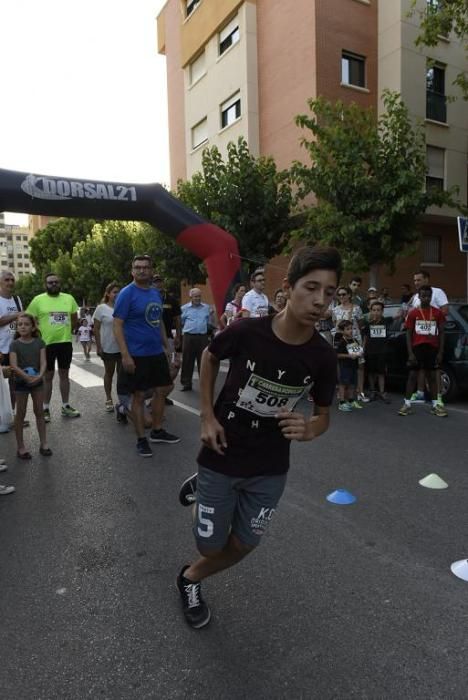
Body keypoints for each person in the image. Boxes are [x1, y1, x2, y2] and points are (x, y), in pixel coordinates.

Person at [175, 246, 341, 629]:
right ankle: (204, 487)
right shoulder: (248, 331)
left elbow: (322, 418)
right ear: (288, 286)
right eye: (311, 288)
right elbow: (210, 356)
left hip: (270, 466)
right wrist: (206, 415)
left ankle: (189, 578)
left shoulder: (323, 357)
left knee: (246, 544)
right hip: (222, 451)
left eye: (329, 292)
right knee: (210, 546)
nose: (319, 301)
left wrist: (309, 429)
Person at [113, 254, 179, 458]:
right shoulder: (126, 293)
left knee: (162, 390)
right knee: (139, 396)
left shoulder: (154, 293)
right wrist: (125, 355)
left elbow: (157, 319)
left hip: (156, 352)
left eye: (146, 267)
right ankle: (141, 440)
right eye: (138, 267)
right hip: (136, 354)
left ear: (151, 270)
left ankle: (157, 430)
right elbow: (117, 325)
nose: (142, 270)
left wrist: (165, 346)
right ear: (132, 271)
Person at [27, 273, 80, 422]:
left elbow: (74, 318)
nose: (53, 285)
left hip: (65, 343)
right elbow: (29, 318)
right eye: (50, 283)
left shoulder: (68, 298)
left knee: (64, 375)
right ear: (46, 285)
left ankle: (65, 406)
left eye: (56, 282)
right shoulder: (38, 300)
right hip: (46, 344)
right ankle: (45, 409)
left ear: (60, 283)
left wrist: (68, 331)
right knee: (47, 377)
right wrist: (36, 334)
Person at [398, 285, 447, 417]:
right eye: (423, 296)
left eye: (428, 296)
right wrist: (410, 353)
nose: (426, 298)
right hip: (417, 348)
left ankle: (436, 404)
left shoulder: (437, 313)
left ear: (431, 297)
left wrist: (440, 352)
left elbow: (442, 333)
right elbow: (408, 333)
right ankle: (406, 404)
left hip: (432, 348)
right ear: (419, 297)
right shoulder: (413, 313)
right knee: (413, 376)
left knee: (432, 377)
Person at [9, 313, 52, 459]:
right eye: (20, 324)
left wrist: (39, 376)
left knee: (39, 412)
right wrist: (27, 377)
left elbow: (44, 362)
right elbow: (13, 365)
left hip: (37, 382)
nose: (22, 327)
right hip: (21, 382)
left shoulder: (39, 342)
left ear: (33, 327)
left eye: (26, 324)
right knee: (20, 414)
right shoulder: (14, 344)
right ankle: (21, 447)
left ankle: (44, 443)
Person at [408, 270, 449, 406]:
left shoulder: (437, 292)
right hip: (418, 339)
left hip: (433, 337)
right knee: (420, 367)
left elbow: (445, 310)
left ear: (426, 279)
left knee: (434, 369)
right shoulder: (415, 296)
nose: (416, 283)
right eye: (414, 280)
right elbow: (412, 315)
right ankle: (420, 393)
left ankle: (437, 396)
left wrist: (432, 320)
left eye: (418, 280)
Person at [331, 286, 368, 403]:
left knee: (359, 365)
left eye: (344, 294)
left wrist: (360, 342)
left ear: (349, 295)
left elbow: (361, 325)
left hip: (354, 340)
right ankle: (342, 391)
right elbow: (335, 324)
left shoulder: (356, 308)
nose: (341, 297)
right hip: (341, 341)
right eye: (339, 295)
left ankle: (360, 391)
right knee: (342, 365)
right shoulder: (335, 309)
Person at [153, 273, 182, 405]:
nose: (158, 284)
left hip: (169, 338)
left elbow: (177, 319)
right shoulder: (149, 298)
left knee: (172, 367)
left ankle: (162, 395)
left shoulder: (171, 300)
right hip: (152, 339)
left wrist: (178, 336)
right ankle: (155, 397)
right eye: (155, 282)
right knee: (155, 369)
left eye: (159, 281)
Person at [93, 281, 122, 412]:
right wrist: (99, 347)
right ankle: (109, 398)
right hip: (108, 347)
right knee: (109, 373)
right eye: (114, 292)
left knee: (123, 375)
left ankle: (123, 399)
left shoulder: (124, 306)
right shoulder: (101, 308)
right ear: (108, 294)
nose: (117, 294)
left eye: (119, 292)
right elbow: (96, 329)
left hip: (123, 347)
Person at [0, 270, 23, 425]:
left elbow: (21, 321)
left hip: (15, 348)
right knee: (1, 386)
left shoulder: (17, 299)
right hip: (1, 349)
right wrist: (17, 315)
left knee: (14, 383)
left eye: (12, 279)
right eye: (7, 279)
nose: (10, 282)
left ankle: (13, 415)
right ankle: (2, 417)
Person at [180, 288, 211, 391]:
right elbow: (181, 322)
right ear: (191, 297)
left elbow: (209, 321)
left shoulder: (207, 308)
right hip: (189, 336)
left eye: (199, 296)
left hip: (202, 337)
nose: (197, 298)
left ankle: (204, 384)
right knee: (187, 360)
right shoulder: (184, 308)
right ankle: (186, 383)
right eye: (195, 296)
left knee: (203, 361)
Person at [362, 301, 392, 402]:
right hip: (370, 351)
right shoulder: (368, 324)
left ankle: (382, 392)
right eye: (374, 310)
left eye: (378, 310)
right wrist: (363, 349)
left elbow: (399, 316)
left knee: (381, 372)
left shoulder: (386, 321)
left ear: (382, 311)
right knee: (371, 372)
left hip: (382, 351)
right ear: (370, 311)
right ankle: (372, 391)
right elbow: (365, 338)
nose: (376, 312)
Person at [335, 320, 363, 411]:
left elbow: (358, 351)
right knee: (343, 384)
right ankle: (342, 402)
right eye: (347, 329)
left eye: (352, 328)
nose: (350, 331)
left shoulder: (354, 340)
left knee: (352, 384)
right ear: (342, 331)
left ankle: (351, 400)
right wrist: (349, 356)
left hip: (353, 365)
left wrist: (360, 353)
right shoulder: (341, 342)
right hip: (345, 366)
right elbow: (337, 354)